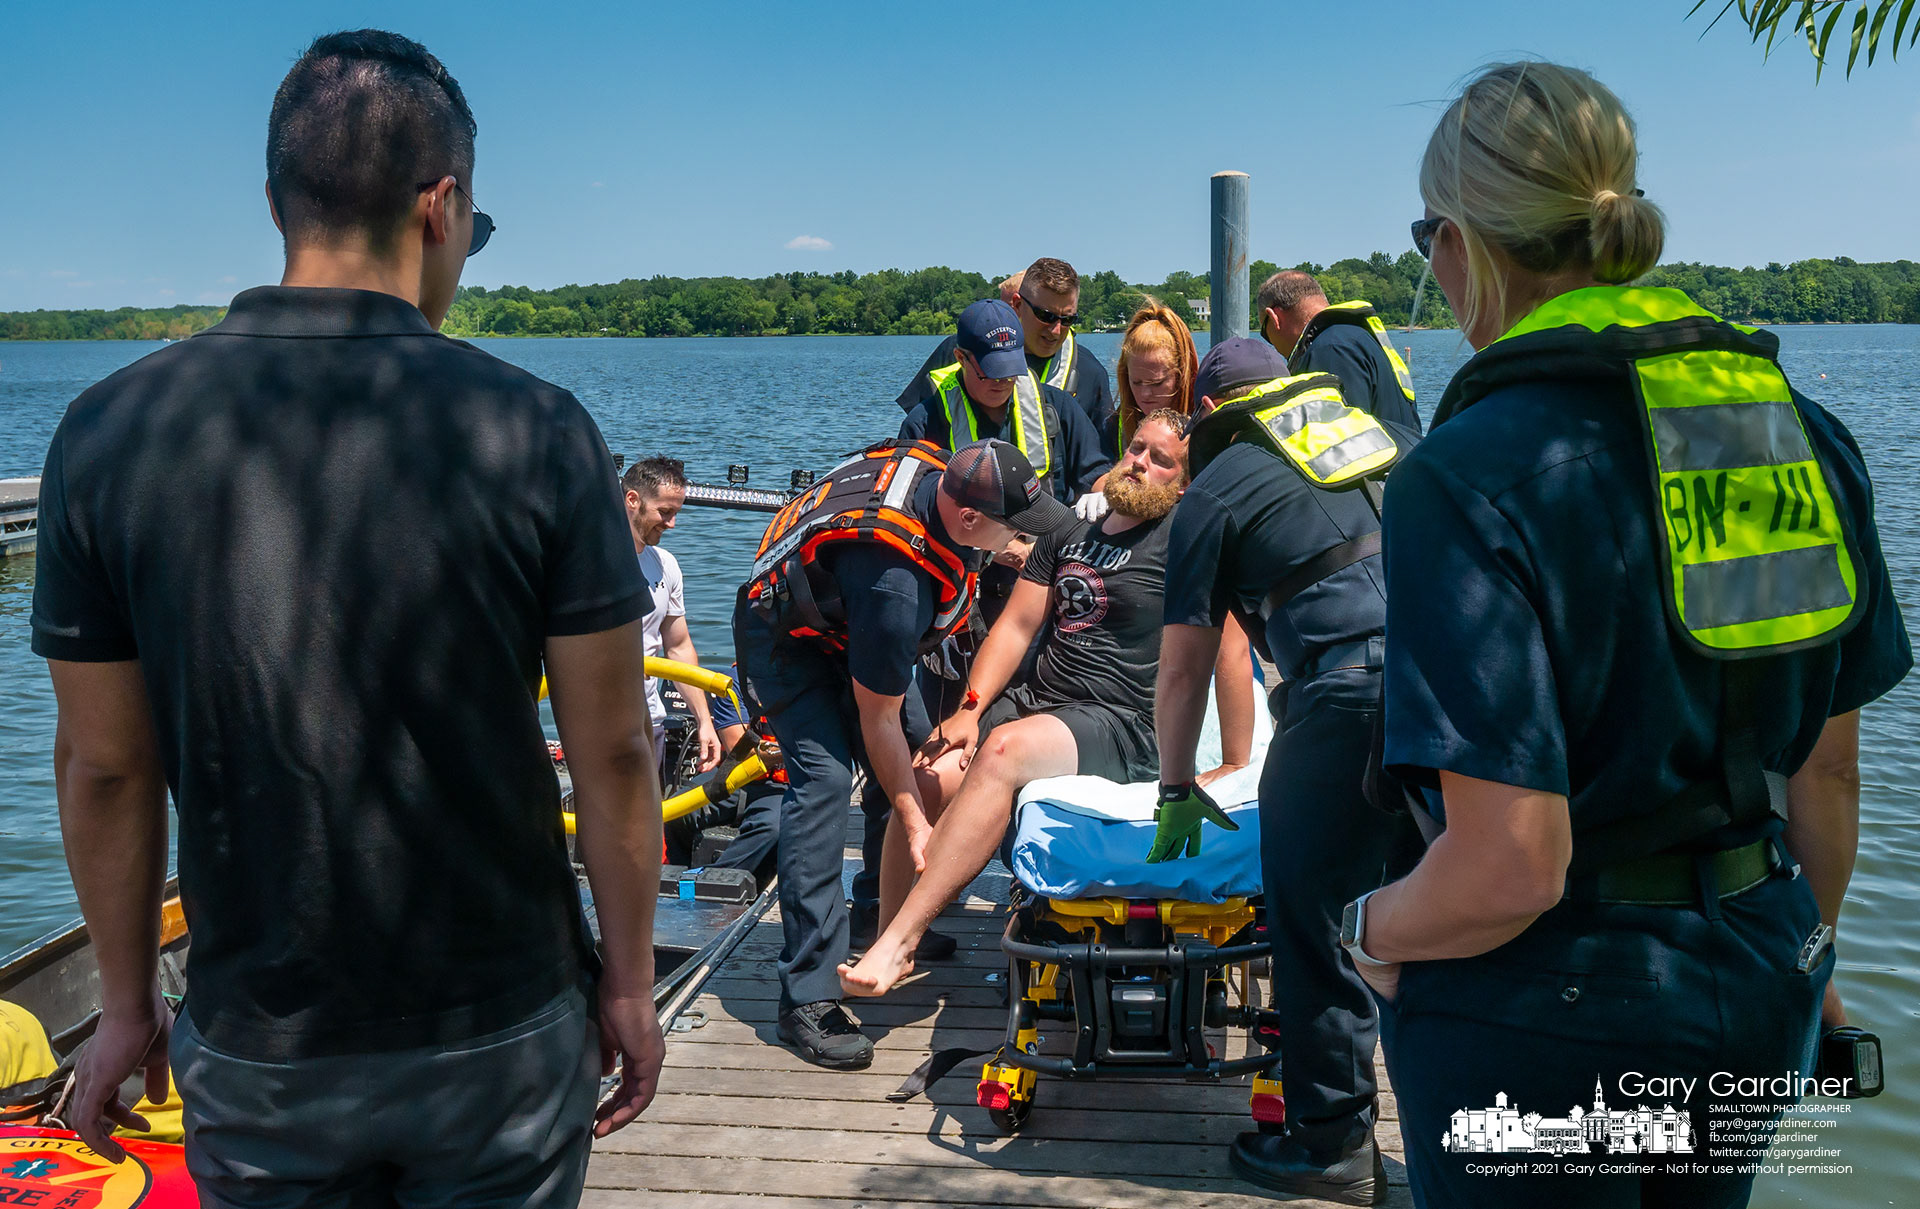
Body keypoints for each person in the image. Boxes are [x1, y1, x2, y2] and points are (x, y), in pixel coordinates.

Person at [28, 29, 664, 1208]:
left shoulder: (108, 435)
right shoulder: (537, 430)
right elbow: (618, 747)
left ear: (278, 199)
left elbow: (106, 767)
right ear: (441, 204)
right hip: (503, 1034)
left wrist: (127, 1006)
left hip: (261, 1042)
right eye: (472, 234)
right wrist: (628, 982)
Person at [1347, 62, 1911, 1209]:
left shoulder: (1466, 474)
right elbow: (1830, 769)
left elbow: (1511, 864)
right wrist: (1811, 952)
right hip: (1756, 972)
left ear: (1460, 242)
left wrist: (1370, 928)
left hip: (1546, 1012)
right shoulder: (1800, 433)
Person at [1151, 336, 1421, 1205]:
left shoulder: (1217, 489)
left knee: (1316, 921)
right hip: (1455, 695)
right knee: (1447, 910)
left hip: (1342, 700)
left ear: (1209, 417)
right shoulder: (1388, 436)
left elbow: (1185, 667)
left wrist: (1174, 788)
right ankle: (1461, 1128)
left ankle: (1334, 1141)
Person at [839, 409, 1239, 995]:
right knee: (926, 778)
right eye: (1135, 448)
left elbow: (1228, 650)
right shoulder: (1069, 531)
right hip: (1040, 700)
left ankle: (898, 939)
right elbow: (1016, 628)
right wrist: (969, 708)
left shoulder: (1185, 543)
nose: (1139, 463)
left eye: (1161, 460)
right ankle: (892, 939)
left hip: (1121, 721)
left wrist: (1231, 759)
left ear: (1182, 483)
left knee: (1004, 752)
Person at [733, 437, 1072, 1069]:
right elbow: (878, 717)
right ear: (968, 520)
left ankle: (875, 919)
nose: (1020, 541)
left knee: (924, 758)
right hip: (788, 639)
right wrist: (916, 821)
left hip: (845, 616)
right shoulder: (895, 582)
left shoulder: (952, 476)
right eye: (1013, 529)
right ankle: (805, 995)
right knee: (824, 782)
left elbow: (900, 735)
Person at [900, 298, 1107, 718]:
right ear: (960, 358)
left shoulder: (1056, 407)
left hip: (1042, 598)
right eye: (990, 372)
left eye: (1011, 370)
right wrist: (1003, 550)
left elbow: (1097, 474)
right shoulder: (926, 422)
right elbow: (912, 516)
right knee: (951, 724)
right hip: (959, 605)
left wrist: (1100, 494)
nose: (1003, 382)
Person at [896, 257, 1116, 428]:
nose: (1056, 330)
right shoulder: (961, 348)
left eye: (1068, 319)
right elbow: (915, 433)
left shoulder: (1090, 372)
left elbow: (1100, 463)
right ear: (1018, 305)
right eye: (1046, 316)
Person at [623, 455, 722, 773]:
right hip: (597, 722)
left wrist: (704, 721)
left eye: (676, 513)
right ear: (633, 500)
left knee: (653, 819)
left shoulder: (666, 564)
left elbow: (678, 647)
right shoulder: (589, 561)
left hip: (650, 719)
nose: (671, 524)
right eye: (664, 512)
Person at [1257, 269, 1421, 432]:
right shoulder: (1357, 337)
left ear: (1274, 318)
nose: (1272, 344)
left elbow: (1342, 442)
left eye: (1265, 333)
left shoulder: (1329, 350)